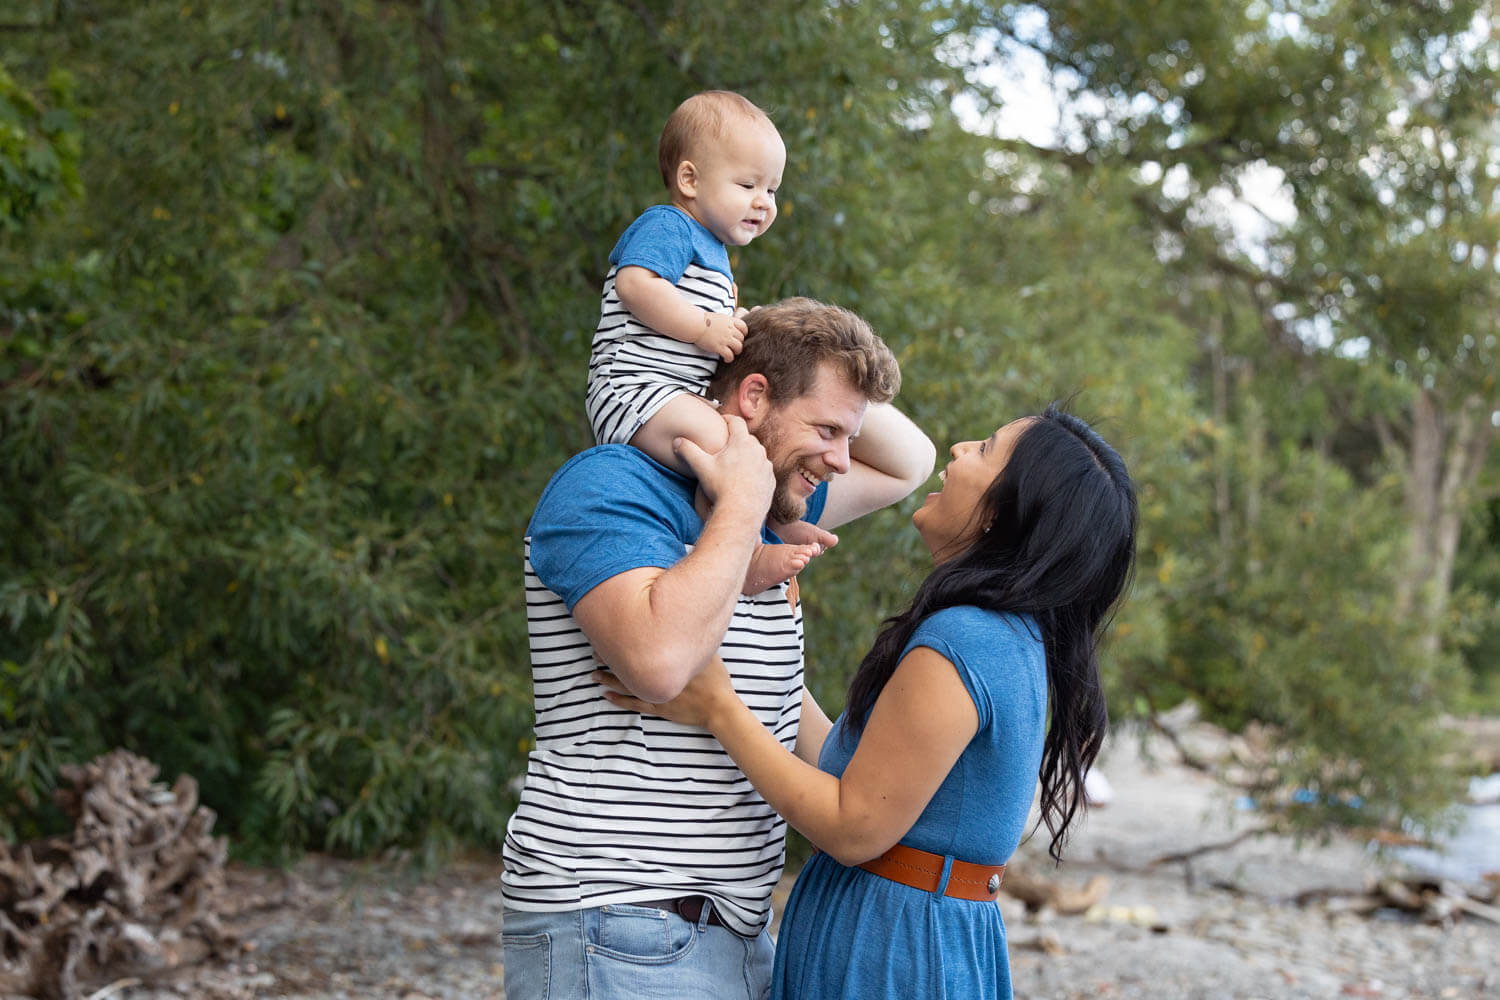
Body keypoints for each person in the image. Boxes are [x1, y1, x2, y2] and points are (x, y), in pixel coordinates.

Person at [599, 405, 1138, 1000]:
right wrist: (760, 646)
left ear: (1006, 515)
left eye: (985, 449)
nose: (958, 448)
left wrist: (719, 708)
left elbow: (852, 826)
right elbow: (850, 769)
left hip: (891, 947)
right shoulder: (1012, 637)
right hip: (919, 932)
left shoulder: (968, 639)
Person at [502, 298, 937, 1000]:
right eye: (827, 429)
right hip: (617, 922)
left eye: (848, 435)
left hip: (734, 932)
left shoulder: (771, 508)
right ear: (755, 398)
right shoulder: (610, 485)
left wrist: (774, 332)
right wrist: (741, 499)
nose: (841, 459)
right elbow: (659, 664)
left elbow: (910, 460)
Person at [585, 89, 822, 593]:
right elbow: (635, 285)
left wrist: (740, 322)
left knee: (745, 443)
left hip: (673, 397)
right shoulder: (668, 225)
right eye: (748, 184)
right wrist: (704, 328)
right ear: (690, 179)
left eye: (773, 190)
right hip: (633, 389)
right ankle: (752, 547)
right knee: (729, 445)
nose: (764, 202)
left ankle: (734, 538)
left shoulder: (711, 252)